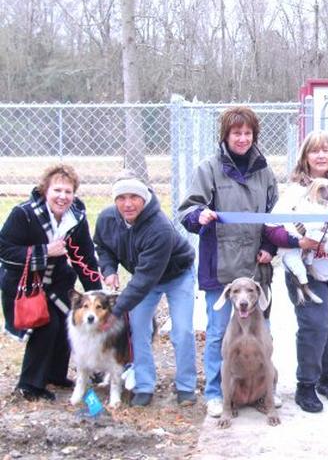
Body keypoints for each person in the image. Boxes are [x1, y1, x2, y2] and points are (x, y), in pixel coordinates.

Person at [178, 106, 279, 418]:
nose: (243, 138)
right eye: (237, 132)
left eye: (248, 133)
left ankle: (263, 390)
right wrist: (200, 215)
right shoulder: (208, 169)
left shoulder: (265, 172)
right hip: (220, 269)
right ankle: (215, 392)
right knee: (219, 333)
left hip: (254, 270)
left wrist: (268, 247)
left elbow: (275, 218)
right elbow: (187, 212)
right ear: (226, 135)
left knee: (262, 335)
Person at [264, 131, 328, 413]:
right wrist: (298, 242)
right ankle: (306, 384)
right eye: (314, 151)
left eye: (326, 150)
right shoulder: (296, 190)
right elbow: (272, 228)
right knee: (315, 325)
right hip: (305, 270)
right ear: (305, 157)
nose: (321, 155)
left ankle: (326, 376)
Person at [94, 172, 197, 407]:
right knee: (137, 328)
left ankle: (186, 387)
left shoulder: (159, 227)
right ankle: (144, 385)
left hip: (176, 275)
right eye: (121, 198)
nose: (127, 204)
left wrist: (116, 311)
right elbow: (102, 246)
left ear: (144, 198)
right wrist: (109, 269)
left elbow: (143, 281)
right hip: (145, 277)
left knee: (182, 331)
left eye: (134, 197)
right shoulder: (107, 219)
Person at [0, 164, 102, 401]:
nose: (63, 197)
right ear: (45, 189)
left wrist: (95, 289)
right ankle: (29, 385)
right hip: (23, 284)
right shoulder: (23, 214)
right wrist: (45, 251)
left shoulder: (76, 214)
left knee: (68, 319)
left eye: (68, 191)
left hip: (57, 281)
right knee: (47, 325)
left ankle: (55, 375)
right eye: (57, 190)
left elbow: (84, 254)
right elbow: (4, 250)